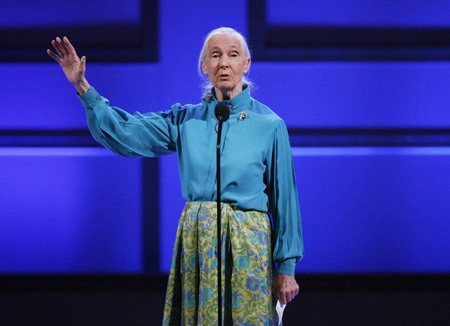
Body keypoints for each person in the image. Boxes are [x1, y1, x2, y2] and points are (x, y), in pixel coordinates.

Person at [48, 27, 304, 326]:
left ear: (246, 64)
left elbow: (284, 200)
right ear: (204, 66)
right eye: (215, 55)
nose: (224, 63)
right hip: (199, 242)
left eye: (233, 55)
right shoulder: (185, 119)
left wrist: (286, 268)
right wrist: (82, 87)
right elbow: (127, 131)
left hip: (248, 243)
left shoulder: (270, 125)